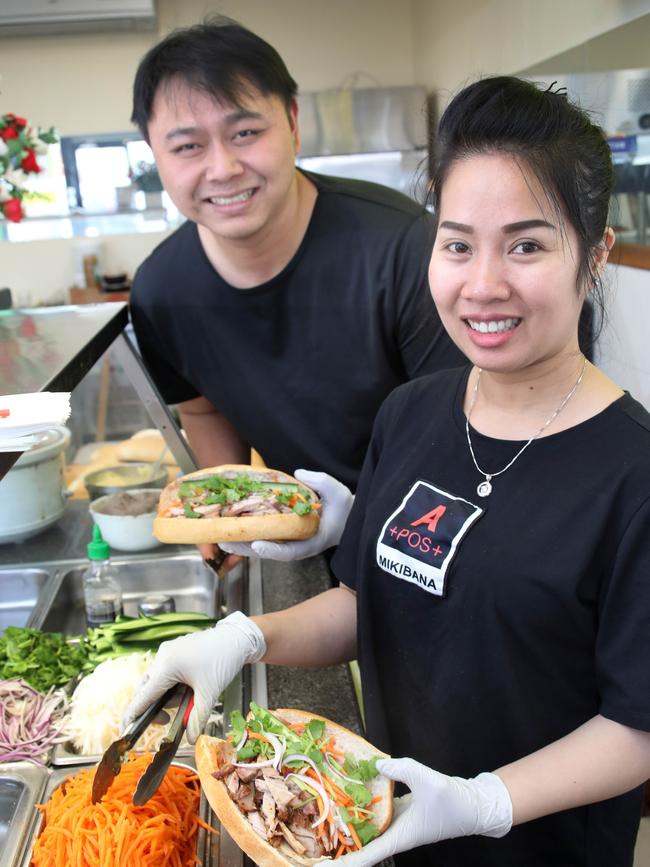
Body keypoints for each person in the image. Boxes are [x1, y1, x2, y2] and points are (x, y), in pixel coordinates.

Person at [124, 76, 650, 865]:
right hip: (392, 825)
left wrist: (483, 802)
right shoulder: (412, 412)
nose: (483, 284)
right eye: (458, 242)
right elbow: (369, 601)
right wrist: (243, 638)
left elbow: (636, 724)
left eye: (528, 244)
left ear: (597, 253)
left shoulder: (631, 472)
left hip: (541, 846)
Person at [128, 17, 465, 563]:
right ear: (154, 154)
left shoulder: (402, 247)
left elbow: (466, 427)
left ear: (292, 122)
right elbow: (205, 410)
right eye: (188, 146)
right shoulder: (160, 290)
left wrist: (368, 526)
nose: (223, 167)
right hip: (300, 531)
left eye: (245, 133)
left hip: (431, 528)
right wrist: (225, 515)